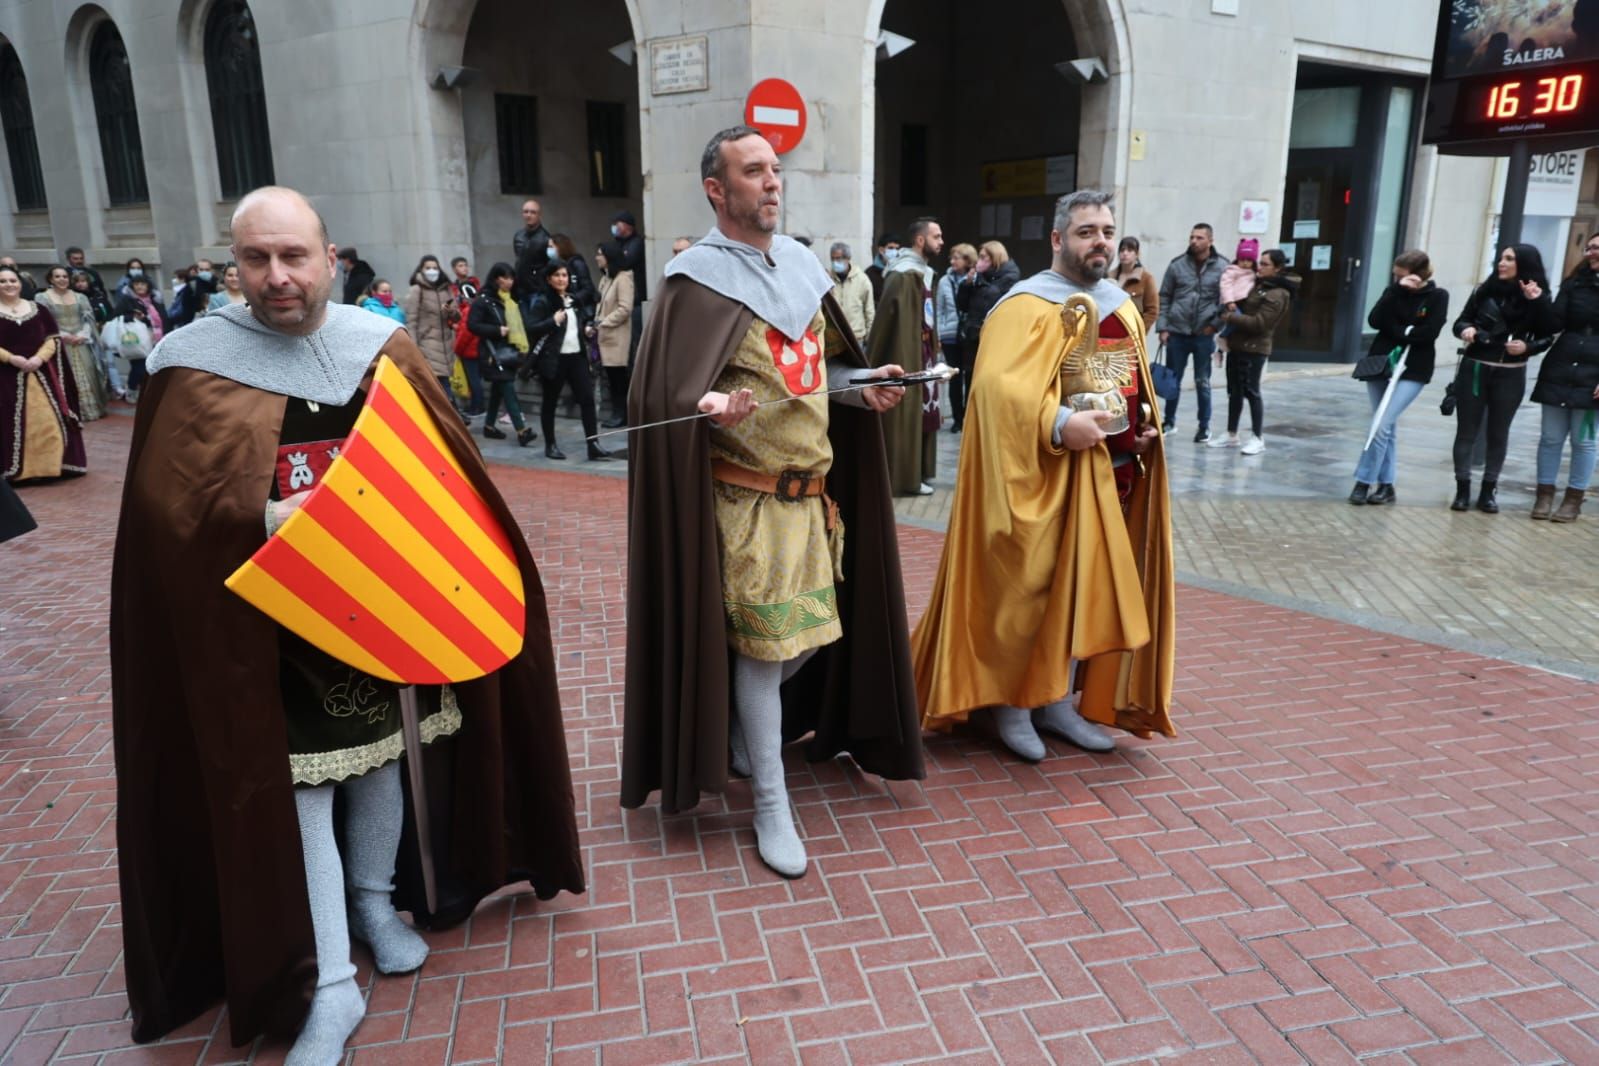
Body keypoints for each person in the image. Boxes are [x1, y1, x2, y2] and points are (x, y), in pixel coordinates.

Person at [109, 187, 582, 1063]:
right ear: (233, 265)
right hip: (269, 632)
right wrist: (256, 518)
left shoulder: (382, 346)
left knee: (383, 765)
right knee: (303, 792)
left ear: (331, 257)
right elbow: (164, 513)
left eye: (295, 256)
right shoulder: (192, 361)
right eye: (257, 259)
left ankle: (372, 900)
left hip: (385, 608)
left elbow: (443, 474)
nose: (278, 277)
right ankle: (328, 978)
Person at [621, 125, 924, 878]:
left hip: (814, 504)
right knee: (764, 654)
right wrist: (709, 404)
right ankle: (769, 806)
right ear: (717, 191)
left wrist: (865, 388)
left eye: (775, 169)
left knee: (813, 639)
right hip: (744, 505)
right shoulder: (693, 282)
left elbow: (812, 381)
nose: (772, 182)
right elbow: (659, 393)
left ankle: (734, 737)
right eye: (753, 172)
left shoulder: (800, 269)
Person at [912, 189, 1174, 763]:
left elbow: (1129, 381)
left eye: (1107, 230)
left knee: (1087, 590)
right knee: (1027, 589)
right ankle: (1013, 707)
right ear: (1058, 240)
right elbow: (995, 394)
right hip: (1045, 472)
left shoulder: (1121, 304)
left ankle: (1057, 701)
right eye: (1086, 232)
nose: (1100, 241)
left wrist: (1141, 431)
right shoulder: (1024, 305)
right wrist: (1058, 423)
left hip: (1113, 476)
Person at [1449, 243, 1557, 513]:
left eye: (1509, 259)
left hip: (1510, 373)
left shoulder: (1537, 296)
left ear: (1524, 264)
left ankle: (1488, 490)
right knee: (1466, 432)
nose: (1502, 263)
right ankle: (1462, 489)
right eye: (1501, 258)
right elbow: (1459, 322)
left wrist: (1528, 347)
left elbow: (1548, 334)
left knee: (1499, 433)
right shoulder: (1484, 291)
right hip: (1475, 367)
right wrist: (1468, 330)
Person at [1349, 251, 1449, 505]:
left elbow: (1429, 333)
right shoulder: (1393, 292)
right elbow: (1375, 320)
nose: (1397, 277)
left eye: (1401, 274)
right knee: (1386, 427)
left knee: (1381, 425)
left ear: (1418, 273)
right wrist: (1396, 292)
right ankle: (1386, 485)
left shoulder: (1437, 296)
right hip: (1380, 364)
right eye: (1396, 274)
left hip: (1414, 367)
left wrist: (1398, 330)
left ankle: (1363, 481)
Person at [867, 216, 944, 496]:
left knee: (928, 411)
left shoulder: (924, 272)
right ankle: (905, 476)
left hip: (923, 352)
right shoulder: (902, 274)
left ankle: (921, 471)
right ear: (921, 240)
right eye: (936, 237)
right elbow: (887, 320)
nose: (941, 242)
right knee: (908, 413)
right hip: (908, 352)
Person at [1530, 235, 1599, 522]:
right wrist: (1539, 301)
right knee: (1550, 437)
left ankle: (1573, 498)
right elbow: (1554, 322)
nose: (1592, 252)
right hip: (1561, 363)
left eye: (1598, 248)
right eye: (1591, 247)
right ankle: (1544, 495)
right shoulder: (1573, 283)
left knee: (1584, 442)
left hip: (1594, 369)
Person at [1, 264, 86, 482]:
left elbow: (53, 338)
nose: (8, 285)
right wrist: (11, 358)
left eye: (12, 281)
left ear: (20, 284)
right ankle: (19, 471)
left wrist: (38, 358)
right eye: (3, 281)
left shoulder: (38, 309)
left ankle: (51, 467)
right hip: (6, 377)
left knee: (48, 420)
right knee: (10, 422)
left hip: (41, 373)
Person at [1208, 248, 1295, 455]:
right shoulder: (1256, 284)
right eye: (1260, 262)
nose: (1260, 267)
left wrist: (1230, 318)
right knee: (1234, 391)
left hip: (1256, 348)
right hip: (1237, 345)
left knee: (1252, 391)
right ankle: (1231, 433)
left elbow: (1260, 324)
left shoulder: (1278, 293)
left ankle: (1257, 437)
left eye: (1265, 264)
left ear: (1278, 268)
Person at [525, 260, 610, 461]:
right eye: (557, 275)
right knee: (550, 402)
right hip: (554, 359)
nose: (561, 279)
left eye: (564, 275)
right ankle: (550, 444)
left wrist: (586, 330)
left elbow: (574, 327)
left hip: (576, 356)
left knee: (587, 400)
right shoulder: (544, 301)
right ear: (549, 279)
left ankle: (593, 443)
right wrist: (552, 322)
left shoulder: (573, 300)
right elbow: (531, 327)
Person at [1156, 223, 1229, 441]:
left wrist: (1215, 325)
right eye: (1191, 237)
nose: (1194, 241)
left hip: (1203, 334)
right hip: (1177, 332)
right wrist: (1163, 327)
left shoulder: (1223, 267)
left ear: (1210, 240)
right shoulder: (1177, 265)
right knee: (1172, 380)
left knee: (1202, 381)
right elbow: (1165, 296)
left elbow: (1227, 301)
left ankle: (1204, 426)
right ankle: (1169, 422)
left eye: (1199, 237)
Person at [467, 262, 536, 447]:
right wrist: (497, 330)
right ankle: (522, 430)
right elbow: (472, 325)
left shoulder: (509, 301)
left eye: (511, 278)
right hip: (492, 352)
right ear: (496, 279)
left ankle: (489, 426)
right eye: (505, 278)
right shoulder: (484, 301)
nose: (509, 282)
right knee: (507, 386)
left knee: (500, 388)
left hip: (508, 351)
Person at [38, 264, 107, 421]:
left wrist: (83, 334)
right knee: (65, 376)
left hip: (81, 341)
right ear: (50, 279)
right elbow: (43, 322)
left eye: (64, 276)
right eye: (57, 276)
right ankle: (70, 411)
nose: (62, 279)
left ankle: (90, 410)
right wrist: (62, 335)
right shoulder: (42, 298)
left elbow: (88, 318)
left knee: (89, 372)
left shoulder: (80, 297)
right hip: (58, 343)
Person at [403, 254, 464, 420]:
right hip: (426, 343)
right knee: (439, 382)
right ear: (421, 270)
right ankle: (452, 415)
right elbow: (412, 320)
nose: (432, 271)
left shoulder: (446, 289)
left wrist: (451, 312)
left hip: (445, 344)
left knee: (443, 381)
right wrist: (413, 348)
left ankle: (447, 416)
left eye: (435, 268)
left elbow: (458, 317)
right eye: (428, 268)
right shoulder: (417, 290)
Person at [955, 241, 1021, 369]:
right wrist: (967, 284)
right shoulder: (979, 276)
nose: (979, 261)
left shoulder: (1009, 277)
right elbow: (963, 305)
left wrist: (982, 285)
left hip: (994, 337)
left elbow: (993, 300)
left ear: (995, 258)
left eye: (983, 257)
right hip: (973, 335)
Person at [594, 243, 634, 429]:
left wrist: (604, 322)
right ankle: (617, 412)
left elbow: (625, 308)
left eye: (600, 254)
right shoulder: (606, 279)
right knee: (611, 377)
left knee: (618, 378)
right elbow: (600, 304)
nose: (597, 258)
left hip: (616, 336)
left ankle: (622, 414)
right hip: (604, 335)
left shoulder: (623, 278)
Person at [937, 243, 976, 433]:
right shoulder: (945, 280)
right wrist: (939, 332)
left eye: (956, 258)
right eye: (951, 258)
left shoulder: (975, 279)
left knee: (970, 376)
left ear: (967, 260)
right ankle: (957, 419)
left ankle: (969, 417)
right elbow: (939, 309)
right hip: (949, 334)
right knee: (954, 377)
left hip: (969, 335)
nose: (952, 262)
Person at [117, 274, 167, 401]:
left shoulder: (156, 299)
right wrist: (133, 317)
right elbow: (116, 316)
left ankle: (150, 392)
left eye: (142, 284)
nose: (140, 286)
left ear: (148, 286)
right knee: (139, 368)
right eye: (137, 284)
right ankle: (131, 390)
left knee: (156, 367)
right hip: (138, 339)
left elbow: (164, 318)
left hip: (158, 338)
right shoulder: (127, 300)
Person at [609, 210, 647, 363]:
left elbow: (624, 262)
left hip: (635, 300)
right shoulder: (619, 243)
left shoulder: (636, 243)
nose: (614, 227)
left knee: (634, 340)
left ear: (627, 226)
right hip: (621, 300)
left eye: (617, 223)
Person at [1212, 238, 1258, 360]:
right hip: (1230, 303)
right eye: (1242, 259)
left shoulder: (1253, 273)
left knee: (1239, 324)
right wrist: (1229, 301)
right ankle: (1222, 337)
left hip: (1242, 303)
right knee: (1237, 321)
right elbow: (1225, 286)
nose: (1245, 263)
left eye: (1249, 260)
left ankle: (1220, 352)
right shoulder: (1231, 271)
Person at [1108, 236, 1159, 333]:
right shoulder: (1109, 277)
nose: (1125, 253)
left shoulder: (1146, 279)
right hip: (1109, 330)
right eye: (1122, 250)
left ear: (1137, 254)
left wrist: (1139, 332)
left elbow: (1152, 311)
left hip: (1132, 332)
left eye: (1130, 250)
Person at [827, 241, 874, 343]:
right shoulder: (827, 279)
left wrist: (869, 337)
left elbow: (869, 311)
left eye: (838, 258)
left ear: (848, 258)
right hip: (833, 337)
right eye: (832, 259)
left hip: (856, 337)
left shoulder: (862, 280)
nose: (835, 262)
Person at [512, 199, 551, 299]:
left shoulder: (546, 238)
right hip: (520, 288)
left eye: (533, 212)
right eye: (526, 212)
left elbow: (550, 264)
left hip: (537, 289)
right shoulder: (518, 236)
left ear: (539, 215)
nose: (529, 215)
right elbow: (518, 259)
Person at [550, 233, 596, 311]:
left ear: (560, 247)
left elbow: (588, 288)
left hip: (581, 308)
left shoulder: (577, 264)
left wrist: (573, 299)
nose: (549, 250)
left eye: (551, 247)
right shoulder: (556, 265)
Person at [865, 233, 899, 301]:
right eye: (891, 248)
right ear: (881, 250)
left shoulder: (902, 271)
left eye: (897, 248)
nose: (894, 252)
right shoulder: (870, 273)